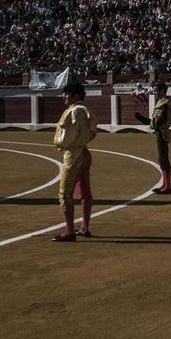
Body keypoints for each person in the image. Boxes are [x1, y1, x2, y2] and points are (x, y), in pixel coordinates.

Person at [52, 82, 96, 241]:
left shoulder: (74, 112)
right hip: (84, 152)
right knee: (84, 190)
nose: (64, 96)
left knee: (65, 193)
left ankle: (70, 231)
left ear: (75, 96)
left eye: (67, 94)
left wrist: (61, 144)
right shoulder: (85, 109)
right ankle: (84, 227)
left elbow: (66, 138)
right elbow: (92, 132)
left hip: (73, 155)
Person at [135, 81, 171, 193]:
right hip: (159, 132)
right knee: (161, 159)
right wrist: (142, 119)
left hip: (162, 132)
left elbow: (158, 121)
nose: (155, 92)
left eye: (157, 90)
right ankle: (165, 185)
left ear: (162, 91)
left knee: (163, 159)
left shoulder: (165, 103)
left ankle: (168, 187)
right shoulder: (162, 102)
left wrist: (145, 120)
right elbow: (154, 121)